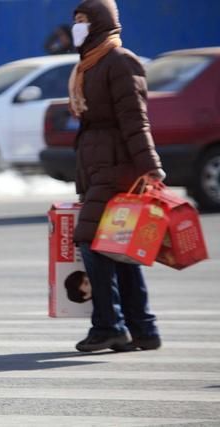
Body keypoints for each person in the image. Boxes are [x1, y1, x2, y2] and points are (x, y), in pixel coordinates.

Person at [68, 0, 166, 353]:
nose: (78, 26)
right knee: (117, 246)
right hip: (98, 167)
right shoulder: (88, 65)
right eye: (75, 20)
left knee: (92, 241)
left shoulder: (119, 61)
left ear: (102, 23)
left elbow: (135, 120)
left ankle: (109, 326)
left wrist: (151, 166)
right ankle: (143, 328)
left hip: (116, 168)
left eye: (84, 20)